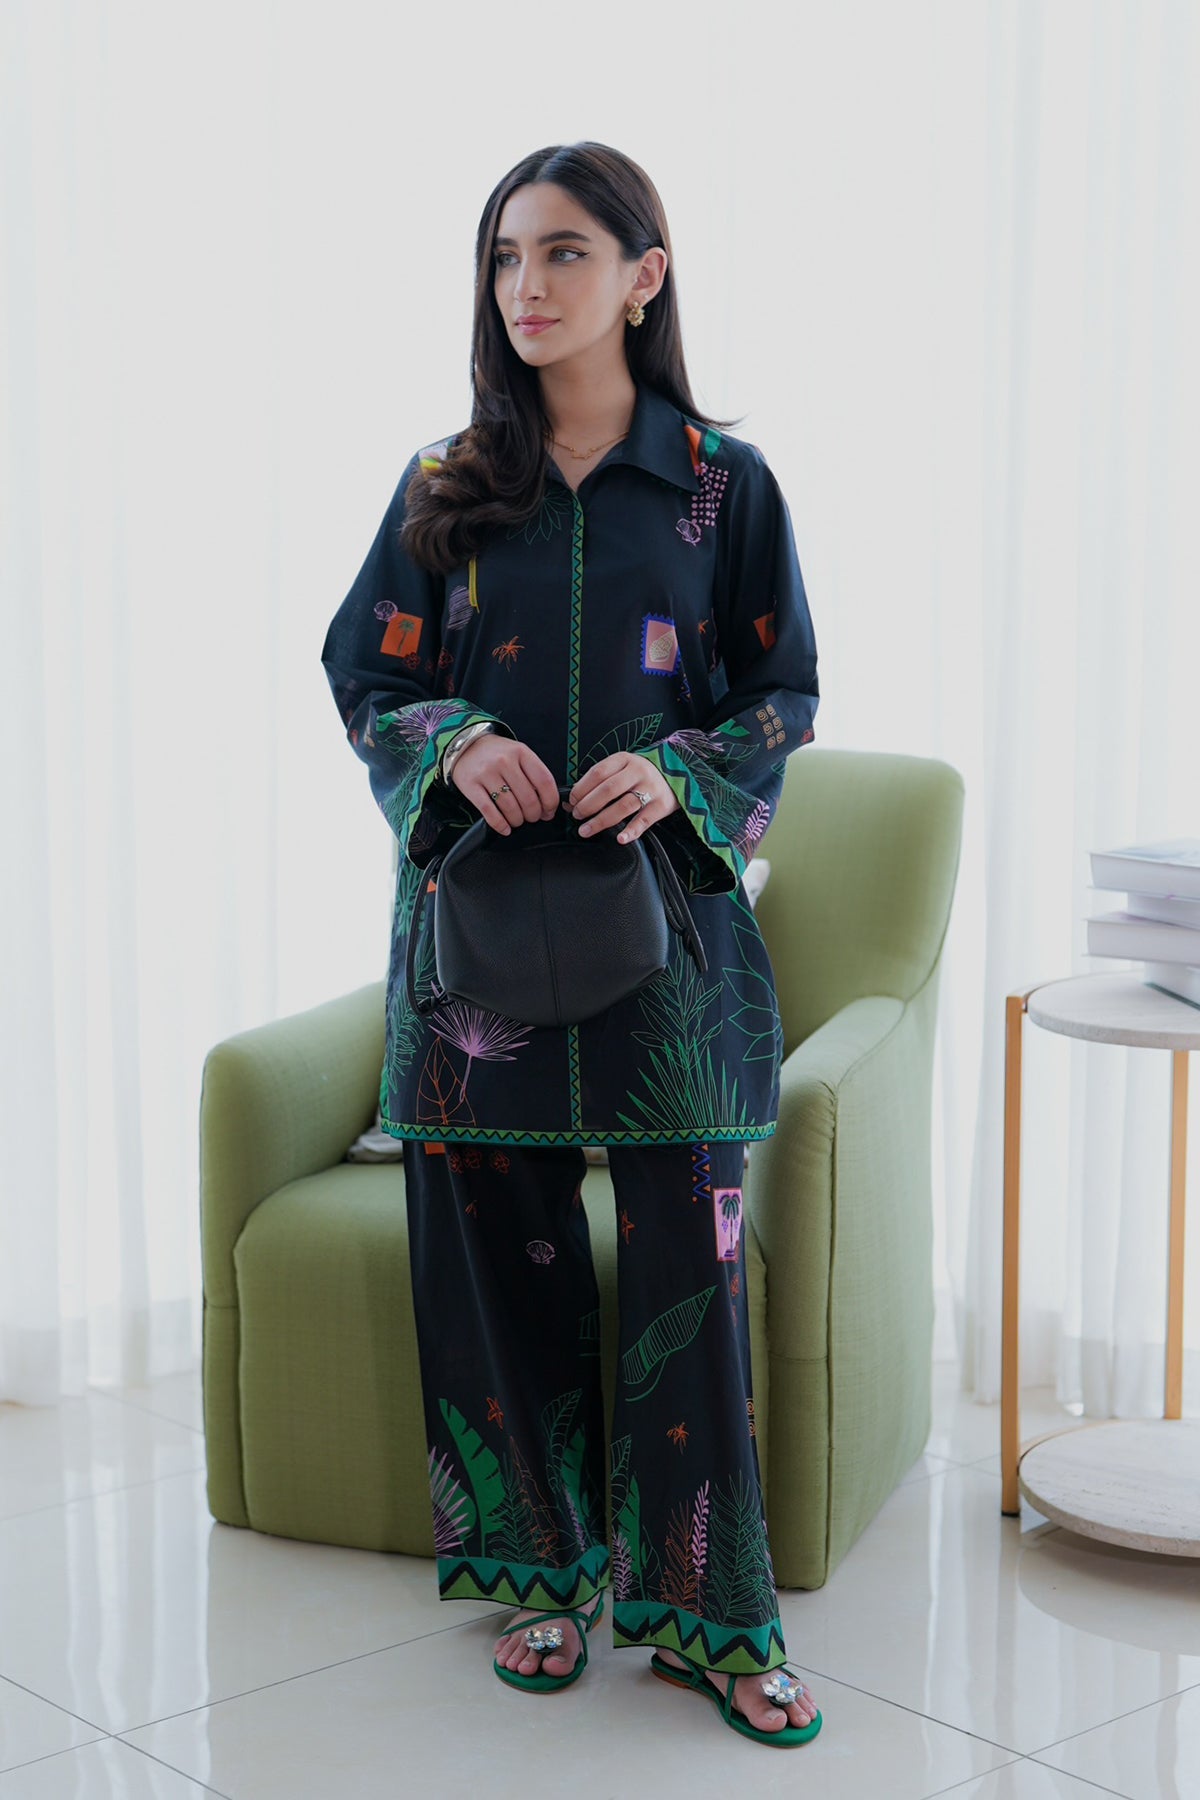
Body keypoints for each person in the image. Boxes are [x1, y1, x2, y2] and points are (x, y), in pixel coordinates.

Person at [320, 141, 821, 1747]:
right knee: (490, 1261)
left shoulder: (723, 487)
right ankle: (541, 1578)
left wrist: (681, 772)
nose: (525, 287)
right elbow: (367, 675)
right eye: (504, 257)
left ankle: (714, 1616)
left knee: (691, 1274)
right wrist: (454, 739)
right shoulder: (445, 481)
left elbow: (783, 693)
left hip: (668, 946)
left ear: (643, 277)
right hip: (478, 955)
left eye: (562, 254)